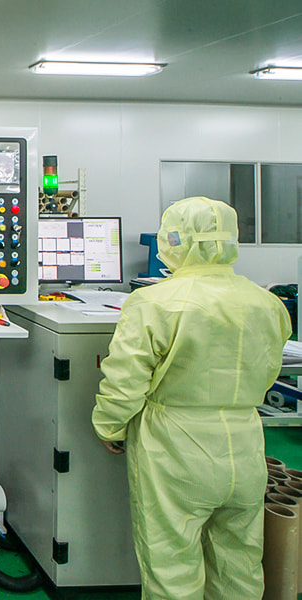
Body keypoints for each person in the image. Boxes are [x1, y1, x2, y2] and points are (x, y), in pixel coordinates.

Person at [92, 196, 292, 600]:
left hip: (175, 451)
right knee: (239, 565)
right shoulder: (267, 304)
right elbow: (269, 370)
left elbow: (125, 380)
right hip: (245, 446)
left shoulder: (152, 302)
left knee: (172, 568)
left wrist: (109, 427)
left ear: (173, 240)